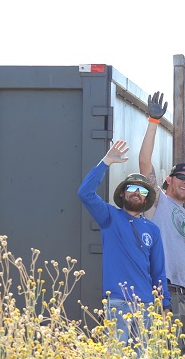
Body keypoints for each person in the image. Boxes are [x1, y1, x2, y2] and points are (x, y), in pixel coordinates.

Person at [77, 140, 170, 346]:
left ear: (146, 199)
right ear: (122, 193)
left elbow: (158, 272)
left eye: (143, 191)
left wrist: (165, 305)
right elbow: (85, 193)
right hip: (117, 302)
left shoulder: (153, 230)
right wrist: (106, 162)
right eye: (133, 188)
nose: (137, 193)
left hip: (146, 305)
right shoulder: (109, 216)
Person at [138, 91, 185, 355]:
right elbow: (144, 162)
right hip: (163, 293)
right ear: (169, 180)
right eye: (181, 176)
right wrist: (153, 122)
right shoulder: (158, 201)